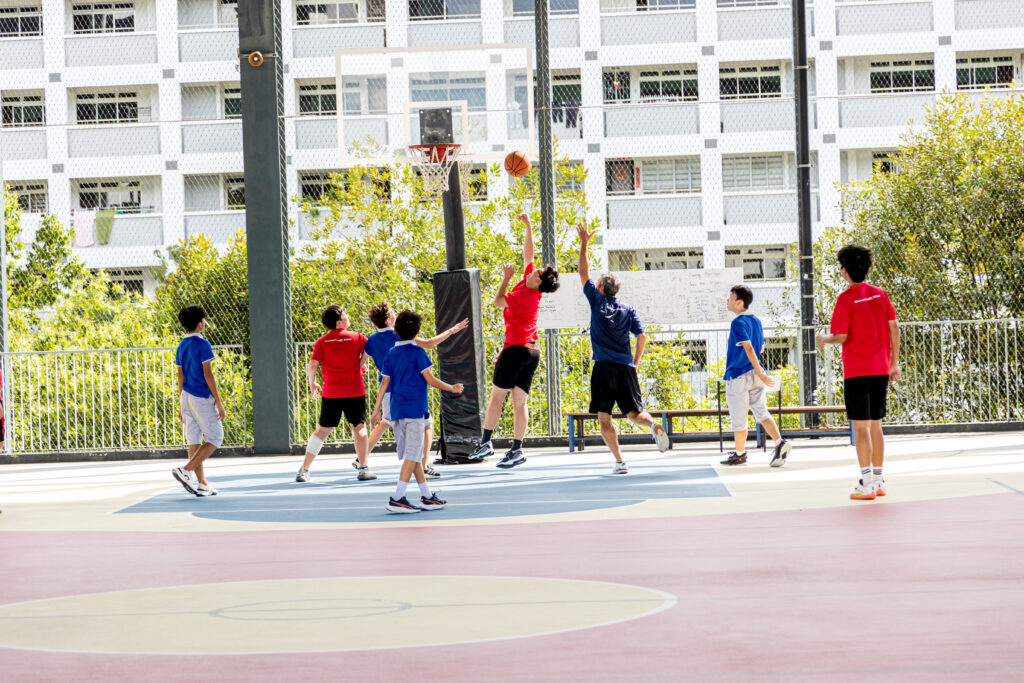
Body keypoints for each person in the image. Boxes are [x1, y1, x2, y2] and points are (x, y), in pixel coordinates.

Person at [576, 222, 670, 473]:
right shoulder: (629, 309)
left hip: (604, 368)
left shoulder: (597, 301)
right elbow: (642, 337)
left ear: (600, 288)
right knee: (633, 413)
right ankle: (653, 425)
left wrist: (584, 242)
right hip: (626, 368)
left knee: (604, 417)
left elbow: (582, 271)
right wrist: (635, 363)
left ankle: (620, 462)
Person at [469, 212, 560, 468]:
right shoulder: (531, 284)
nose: (534, 268)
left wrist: (506, 278)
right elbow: (528, 254)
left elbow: (498, 301)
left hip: (516, 349)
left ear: (538, 280)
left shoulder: (524, 295)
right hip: (532, 351)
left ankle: (486, 443)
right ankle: (517, 449)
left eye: (537, 271)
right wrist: (528, 225)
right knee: (520, 403)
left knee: (497, 397)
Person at [817, 244, 900, 500]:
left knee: (861, 427)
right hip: (880, 369)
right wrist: (894, 363)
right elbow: (894, 328)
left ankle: (866, 484)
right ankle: (878, 480)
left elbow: (841, 336)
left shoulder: (845, 299)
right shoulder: (880, 294)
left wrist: (824, 339)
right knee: (876, 424)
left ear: (844, 270)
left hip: (856, 370)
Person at [370, 310, 463, 513]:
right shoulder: (418, 352)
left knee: (413, 455)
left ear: (396, 330)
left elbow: (384, 383)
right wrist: (452, 388)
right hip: (414, 410)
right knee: (412, 456)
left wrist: (376, 410)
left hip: (397, 410)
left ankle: (427, 496)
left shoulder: (391, 353)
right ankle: (397, 498)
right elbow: (430, 380)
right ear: (418, 332)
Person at [298, 304, 373, 483]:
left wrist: (312, 382)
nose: (348, 316)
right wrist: (361, 364)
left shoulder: (322, 341)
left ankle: (304, 470)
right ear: (339, 322)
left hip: (332, 392)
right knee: (359, 427)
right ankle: (363, 469)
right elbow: (369, 351)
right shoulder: (357, 337)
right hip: (354, 390)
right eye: (345, 314)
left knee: (323, 430)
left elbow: (313, 364)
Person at [719, 285, 791, 467]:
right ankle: (779, 442)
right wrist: (760, 373)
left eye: (730, 297)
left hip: (739, 375)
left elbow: (750, 348)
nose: (727, 300)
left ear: (739, 302)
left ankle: (740, 454)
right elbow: (761, 348)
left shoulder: (737, 322)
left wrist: (760, 372)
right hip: (756, 375)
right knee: (761, 410)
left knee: (739, 416)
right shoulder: (756, 321)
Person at [171, 305, 226, 497]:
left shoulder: (182, 345)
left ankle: (202, 483)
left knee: (194, 439)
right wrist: (218, 402)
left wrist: (181, 403)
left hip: (186, 396)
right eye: (204, 319)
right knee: (215, 437)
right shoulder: (203, 344)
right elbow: (208, 374)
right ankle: (186, 470)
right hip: (201, 397)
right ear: (200, 324)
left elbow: (180, 376)